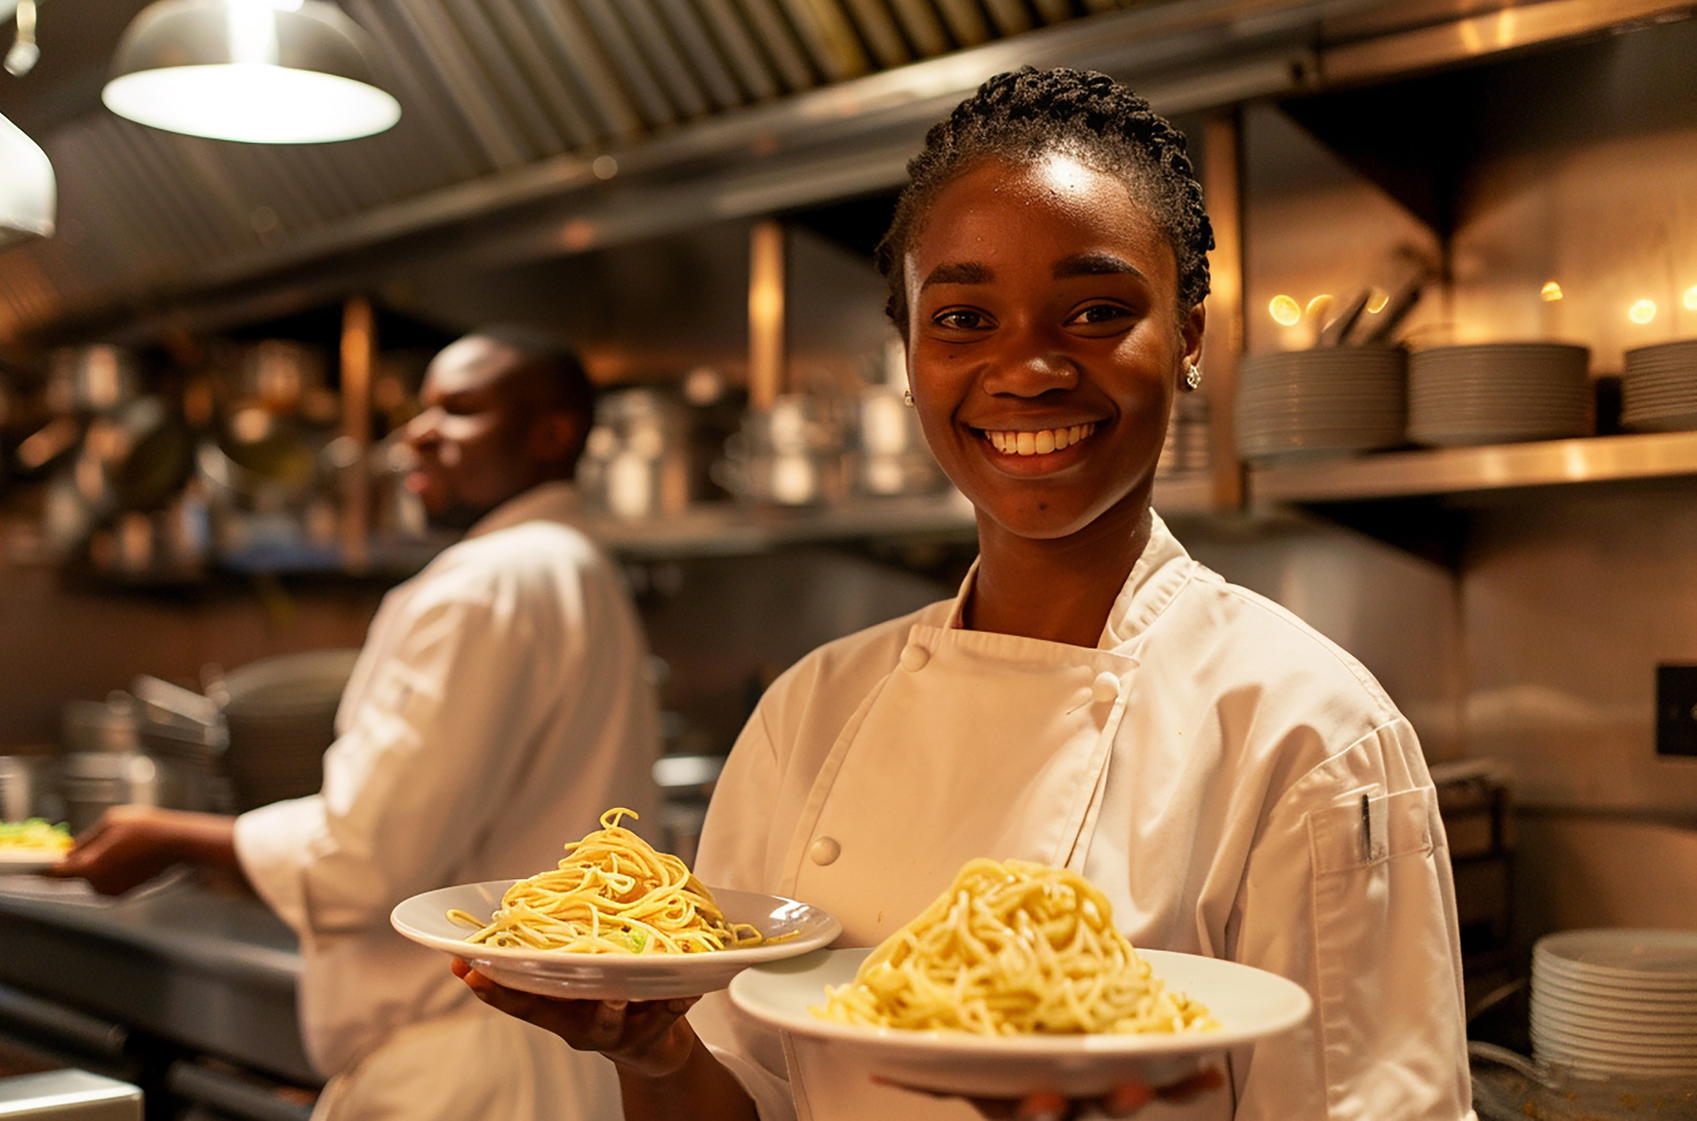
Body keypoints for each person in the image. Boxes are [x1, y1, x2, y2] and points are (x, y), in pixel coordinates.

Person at [456, 68, 1474, 1121]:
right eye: (962, 316)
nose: (1025, 367)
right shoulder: (809, 712)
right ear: (908, 354)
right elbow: (747, 1096)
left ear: (1185, 338)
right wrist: (657, 1056)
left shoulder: (1306, 729)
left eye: (1094, 310)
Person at [53, 326, 657, 1121]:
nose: (419, 432)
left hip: (468, 1069)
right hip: (549, 1061)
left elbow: (366, 861)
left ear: (553, 433)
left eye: (461, 409)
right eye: (422, 408)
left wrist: (175, 836)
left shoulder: (488, 581)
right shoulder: (572, 563)